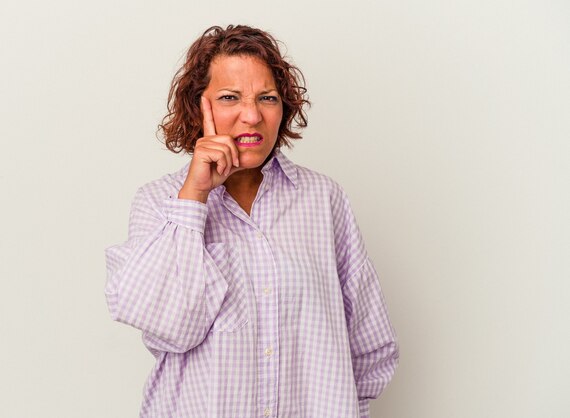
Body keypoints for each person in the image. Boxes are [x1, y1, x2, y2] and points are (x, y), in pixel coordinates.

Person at [105, 24, 399, 418]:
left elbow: (370, 342)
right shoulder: (158, 202)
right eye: (230, 97)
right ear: (198, 106)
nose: (252, 115)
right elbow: (164, 326)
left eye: (267, 98)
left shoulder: (322, 199)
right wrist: (194, 197)